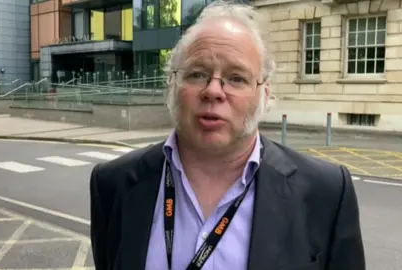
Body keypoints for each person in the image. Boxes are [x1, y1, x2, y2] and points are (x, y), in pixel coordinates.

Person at [89, 1, 366, 269]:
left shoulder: (326, 193)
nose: (213, 90)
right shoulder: (112, 184)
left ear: (264, 94)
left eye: (236, 78)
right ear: (172, 84)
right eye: (197, 74)